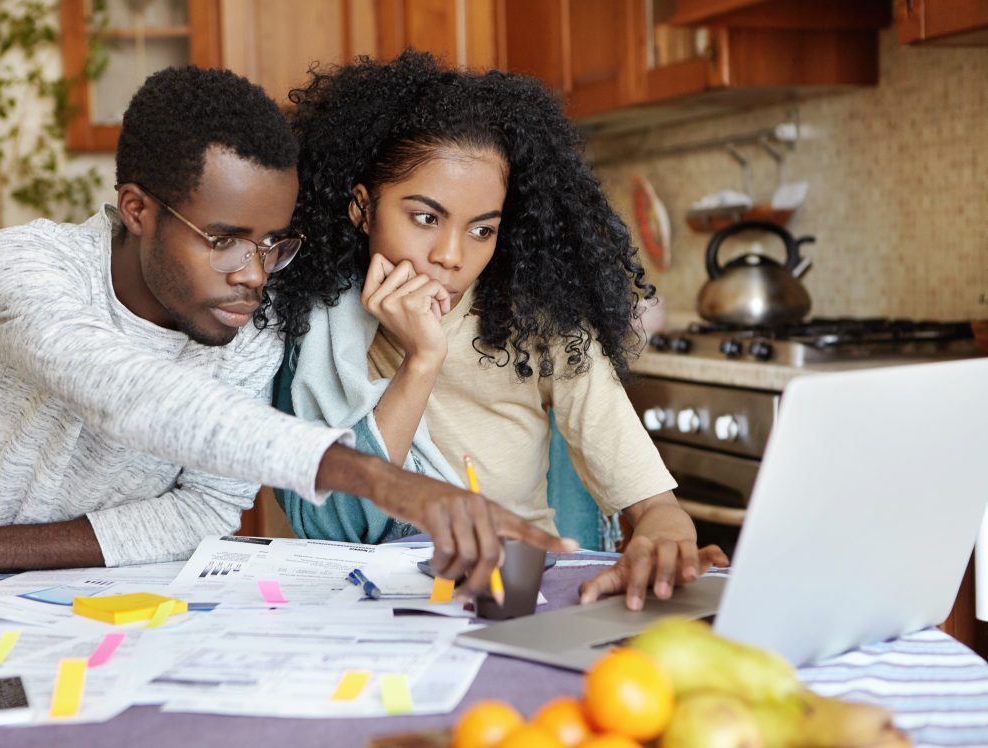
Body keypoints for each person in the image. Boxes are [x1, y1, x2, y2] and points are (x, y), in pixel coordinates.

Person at [0, 65, 573, 597]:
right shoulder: (24, 267)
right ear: (138, 209)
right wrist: (383, 479)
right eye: (224, 241)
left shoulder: (252, 324)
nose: (254, 275)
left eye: (272, 244)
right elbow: (128, 395)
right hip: (2, 593)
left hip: (167, 603)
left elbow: (207, 510)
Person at [270, 52, 728, 610]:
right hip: (374, 602)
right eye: (425, 218)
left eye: (482, 229)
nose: (451, 256)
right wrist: (422, 361)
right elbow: (333, 526)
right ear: (363, 208)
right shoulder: (309, 324)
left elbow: (654, 506)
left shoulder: (540, 323)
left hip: (520, 592)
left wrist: (664, 534)